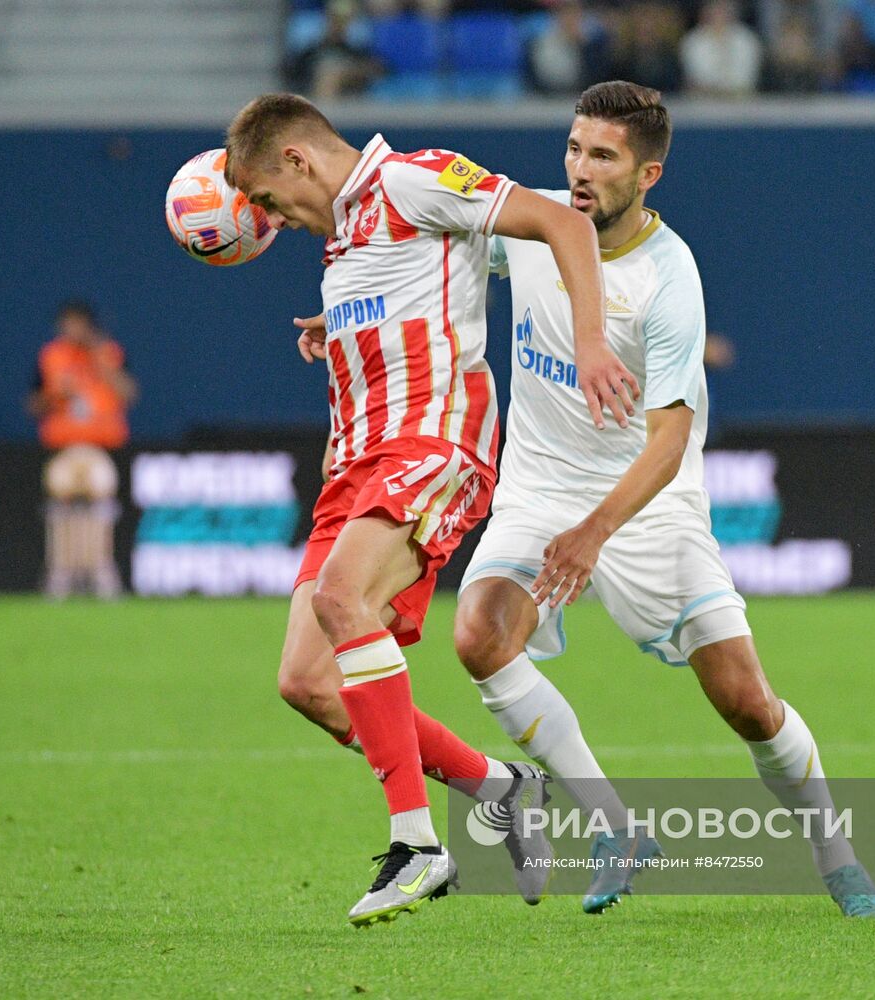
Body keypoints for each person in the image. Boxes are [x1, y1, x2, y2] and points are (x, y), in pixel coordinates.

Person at [449, 80, 875, 918]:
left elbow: (667, 441)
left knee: (746, 701)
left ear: (648, 173)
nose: (580, 170)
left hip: (646, 501)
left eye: (603, 156)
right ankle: (616, 828)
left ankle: (835, 854)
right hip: (541, 486)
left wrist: (594, 533)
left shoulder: (669, 277)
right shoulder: (540, 221)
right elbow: (449, 261)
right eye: (575, 148)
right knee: (479, 634)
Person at [225, 92, 639, 925]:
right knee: (306, 682)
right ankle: (499, 785)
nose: (278, 221)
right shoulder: (345, 244)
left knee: (345, 601)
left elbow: (561, 224)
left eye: (271, 200)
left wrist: (591, 340)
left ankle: (417, 845)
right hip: (354, 466)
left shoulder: (416, 180)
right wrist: (340, 328)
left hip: (432, 443)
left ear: (298, 160)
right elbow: (409, 297)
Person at [27, 300, 136, 599]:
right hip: (64, 448)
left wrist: (104, 367)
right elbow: (32, 405)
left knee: (100, 491)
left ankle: (100, 569)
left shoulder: (108, 352)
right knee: (61, 492)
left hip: (100, 448)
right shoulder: (52, 356)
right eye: (66, 324)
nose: (71, 330)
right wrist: (54, 394)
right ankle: (61, 571)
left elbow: (129, 393)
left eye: (77, 323)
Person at [681, 0, 765, 97]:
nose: (719, 16)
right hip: (703, 100)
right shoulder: (693, 41)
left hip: (741, 100)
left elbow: (747, 78)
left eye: (723, 11)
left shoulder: (747, 40)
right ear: (705, 13)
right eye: (715, 11)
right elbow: (696, 79)